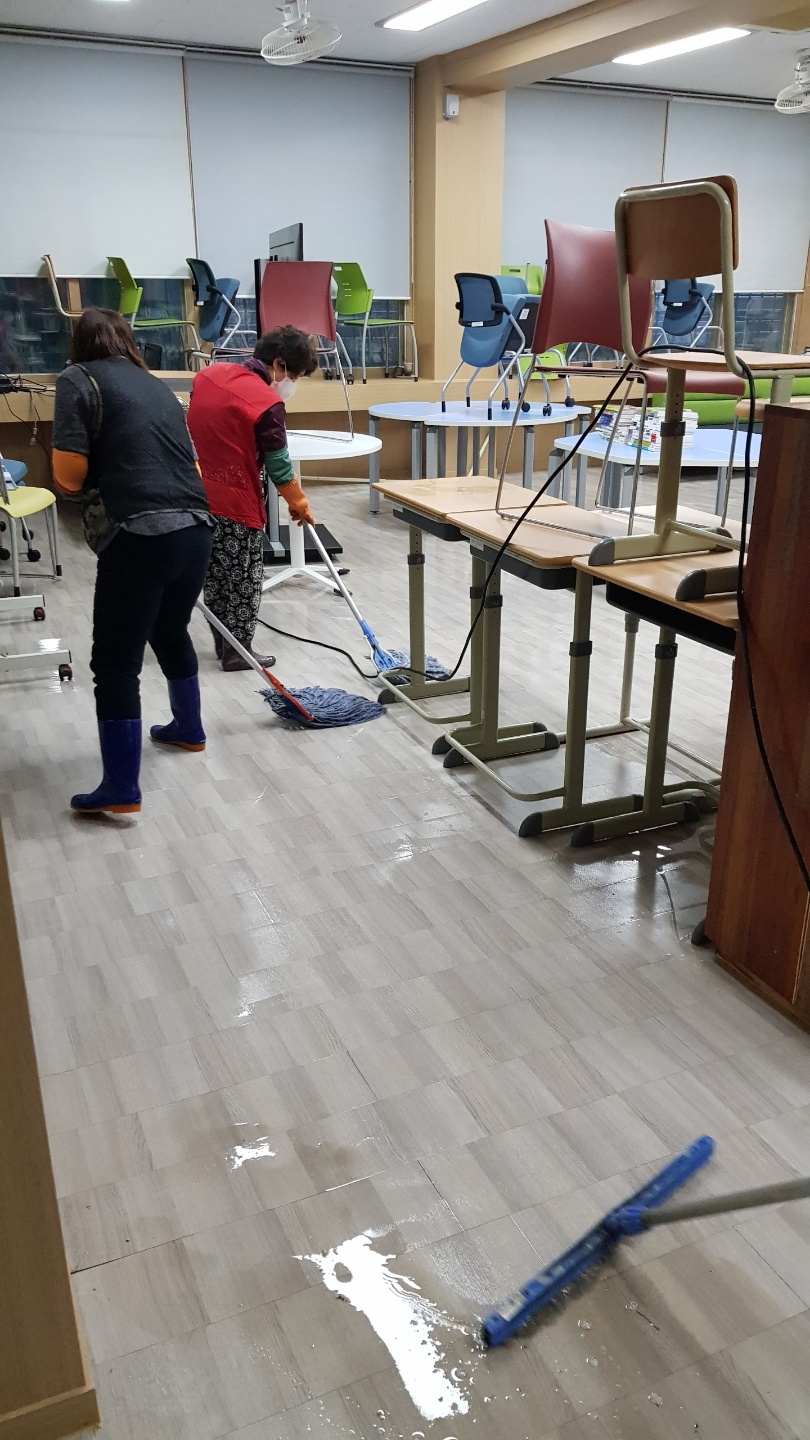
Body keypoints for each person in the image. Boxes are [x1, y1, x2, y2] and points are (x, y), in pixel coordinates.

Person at [52, 307, 213, 816]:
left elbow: (69, 476)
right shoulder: (156, 385)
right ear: (127, 341)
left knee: (115, 663)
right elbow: (191, 465)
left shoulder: (77, 379)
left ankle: (121, 787)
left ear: (80, 343)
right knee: (169, 628)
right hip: (197, 528)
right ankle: (189, 728)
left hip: (140, 533)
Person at [186, 326, 317, 671]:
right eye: (294, 376)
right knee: (244, 576)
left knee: (216, 575)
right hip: (236, 501)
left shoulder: (209, 376)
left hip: (198, 494)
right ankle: (238, 652)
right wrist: (297, 501)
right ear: (278, 364)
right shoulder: (266, 402)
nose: (292, 384)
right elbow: (279, 465)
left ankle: (223, 645)